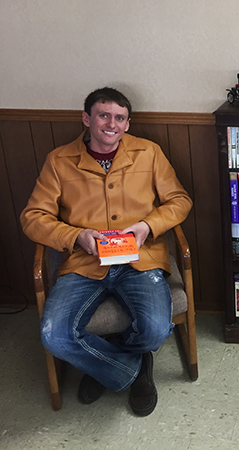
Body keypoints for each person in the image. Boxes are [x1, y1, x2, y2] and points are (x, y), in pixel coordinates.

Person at [20, 87, 192, 416]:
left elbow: (179, 200)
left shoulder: (149, 152)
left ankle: (105, 365)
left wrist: (147, 226)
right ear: (87, 119)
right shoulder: (59, 161)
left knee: (157, 328)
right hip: (85, 262)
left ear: (127, 124)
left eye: (119, 117)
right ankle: (127, 370)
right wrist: (75, 236)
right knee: (53, 335)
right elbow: (33, 217)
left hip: (140, 259)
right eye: (103, 115)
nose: (111, 123)